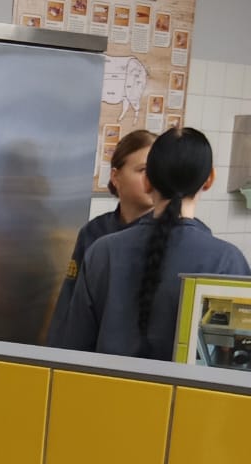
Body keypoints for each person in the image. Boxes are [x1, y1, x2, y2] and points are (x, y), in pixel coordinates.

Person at [56, 126, 249, 360]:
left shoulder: (102, 252)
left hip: (101, 384)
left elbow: (72, 348)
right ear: (209, 179)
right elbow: (235, 359)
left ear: (148, 182)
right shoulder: (226, 261)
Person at [45, 128, 154, 344]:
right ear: (115, 176)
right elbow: (69, 302)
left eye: (158, 171)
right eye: (143, 170)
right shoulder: (94, 232)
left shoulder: (172, 236)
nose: (153, 180)